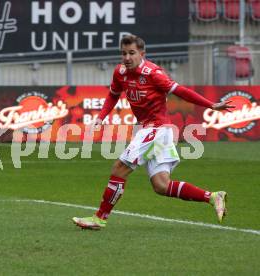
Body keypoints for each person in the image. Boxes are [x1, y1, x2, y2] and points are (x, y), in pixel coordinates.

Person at [72, 35, 234, 230]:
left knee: (119, 169)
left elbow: (180, 90)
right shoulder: (120, 72)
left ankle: (100, 218)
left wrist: (211, 105)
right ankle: (213, 197)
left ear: (142, 54)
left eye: (132, 53)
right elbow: (113, 95)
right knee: (161, 185)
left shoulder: (153, 73)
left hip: (156, 128)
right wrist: (101, 116)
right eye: (123, 53)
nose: (127, 57)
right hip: (150, 129)